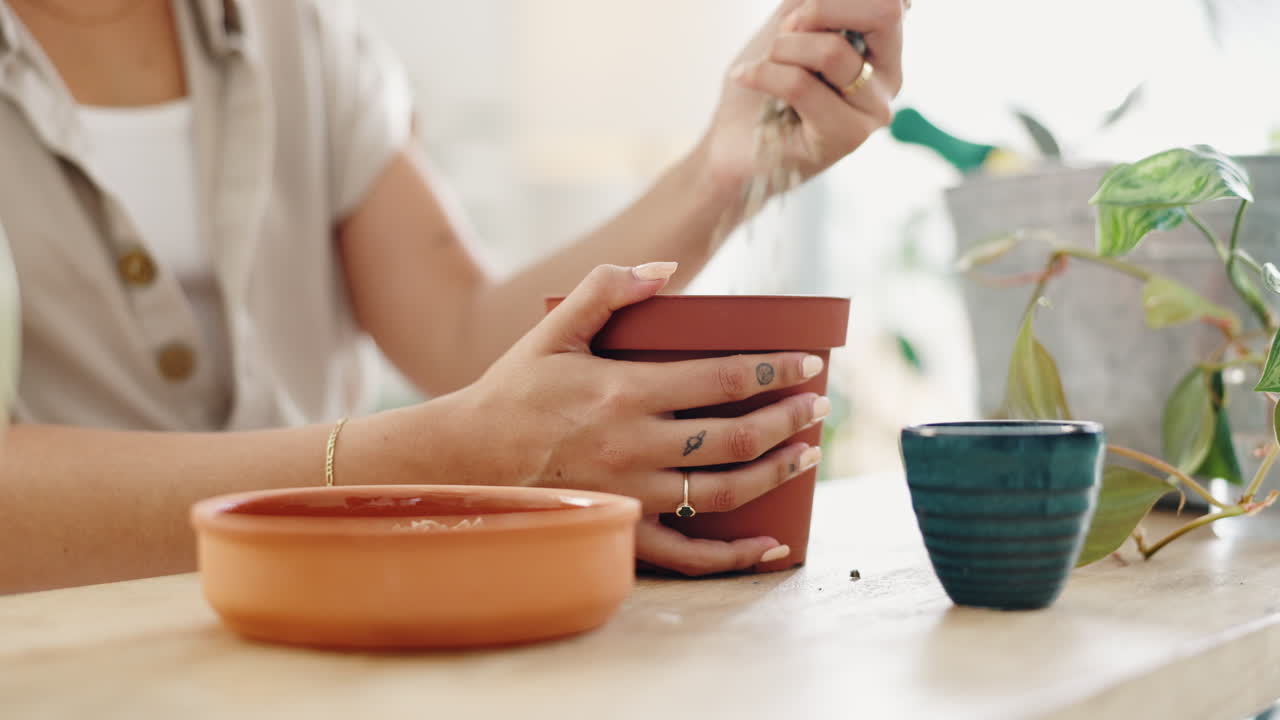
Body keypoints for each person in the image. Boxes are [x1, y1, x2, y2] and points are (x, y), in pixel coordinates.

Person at [0, 0, 905, 594]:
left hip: (318, 639)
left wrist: (719, 174)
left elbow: (464, 341)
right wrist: (431, 460)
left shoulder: (297, 31)